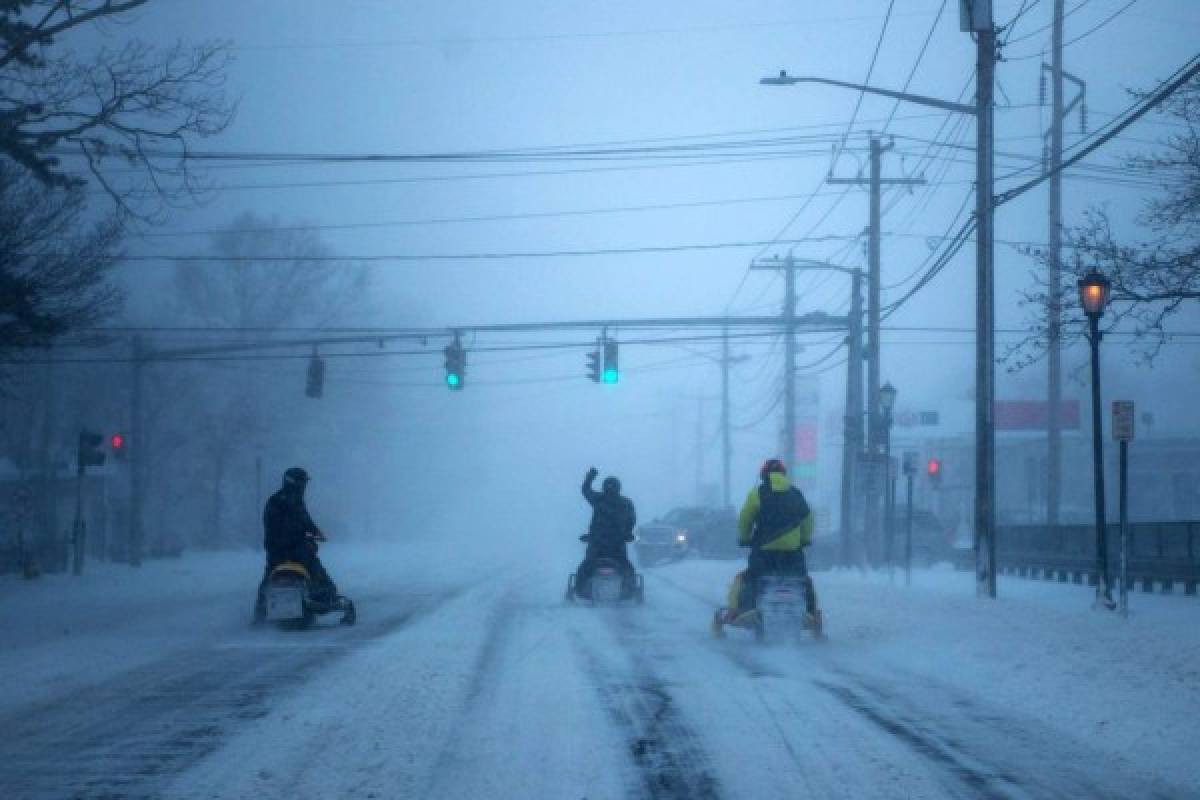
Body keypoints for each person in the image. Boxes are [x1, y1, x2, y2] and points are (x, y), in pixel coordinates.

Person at [720, 459, 820, 625]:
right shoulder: (796, 494)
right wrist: (804, 539)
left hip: (764, 554)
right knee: (804, 581)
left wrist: (744, 537)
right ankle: (812, 613)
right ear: (783, 474)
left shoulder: (756, 494)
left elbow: (745, 518)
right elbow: (808, 518)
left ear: (763, 476)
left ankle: (734, 612)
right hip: (792, 555)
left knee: (748, 579)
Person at [253, 467, 340, 622]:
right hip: (296, 551)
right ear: (298, 483)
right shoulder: (294, 501)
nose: (305, 487)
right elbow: (303, 520)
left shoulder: (274, 500)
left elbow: (277, 524)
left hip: (275, 551)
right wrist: (314, 532)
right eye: (303, 483)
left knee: (269, 576)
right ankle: (328, 597)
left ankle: (259, 612)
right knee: (316, 569)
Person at [574, 466, 637, 597]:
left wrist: (590, 476)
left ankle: (579, 591)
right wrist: (627, 534)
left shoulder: (599, 499)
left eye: (611, 486)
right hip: (613, 544)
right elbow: (631, 520)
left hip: (600, 544)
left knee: (586, 566)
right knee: (626, 567)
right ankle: (630, 591)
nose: (610, 489)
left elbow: (585, 490)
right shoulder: (624, 502)